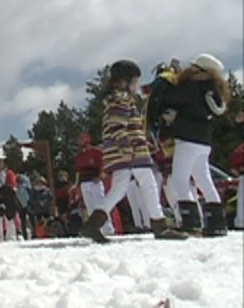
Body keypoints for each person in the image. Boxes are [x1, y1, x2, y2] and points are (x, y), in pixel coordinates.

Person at [80, 60, 187, 243]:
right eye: (134, 81)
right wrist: (128, 148)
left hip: (124, 152)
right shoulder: (121, 100)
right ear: (124, 82)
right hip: (130, 153)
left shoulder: (117, 100)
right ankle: (159, 224)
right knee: (149, 183)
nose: (136, 86)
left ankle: (93, 224)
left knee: (118, 190)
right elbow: (118, 127)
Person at [158, 54, 229, 236]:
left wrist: (171, 74)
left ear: (199, 69)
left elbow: (172, 97)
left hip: (187, 140)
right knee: (204, 180)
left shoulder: (192, 86)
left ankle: (191, 221)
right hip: (204, 142)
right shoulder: (211, 89)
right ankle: (217, 222)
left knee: (179, 180)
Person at [75, 133, 113, 236]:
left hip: (95, 182)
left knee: (101, 205)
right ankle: (96, 230)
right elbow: (78, 172)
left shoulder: (97, 152)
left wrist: (101, 177)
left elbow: (104, 165)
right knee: (90, 207)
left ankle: (108, 229)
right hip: (84, 183)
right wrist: (77, 186)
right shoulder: (79, 156)